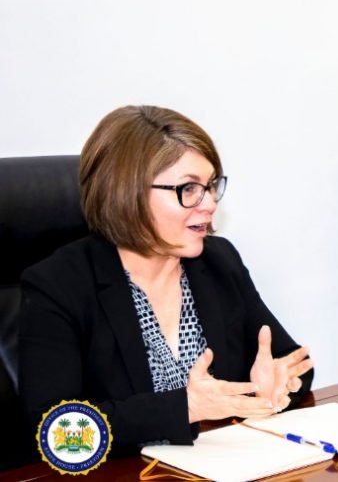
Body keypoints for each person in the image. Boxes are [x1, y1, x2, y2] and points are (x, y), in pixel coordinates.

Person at [19, 105, 314, 454]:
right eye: (189, 188)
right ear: (127, 192)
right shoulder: (59, 285)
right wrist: (185, 408)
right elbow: (54, 429)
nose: (210, 203)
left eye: (211, 186)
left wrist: (276, 384)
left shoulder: (219, 262)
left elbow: (290, 362)